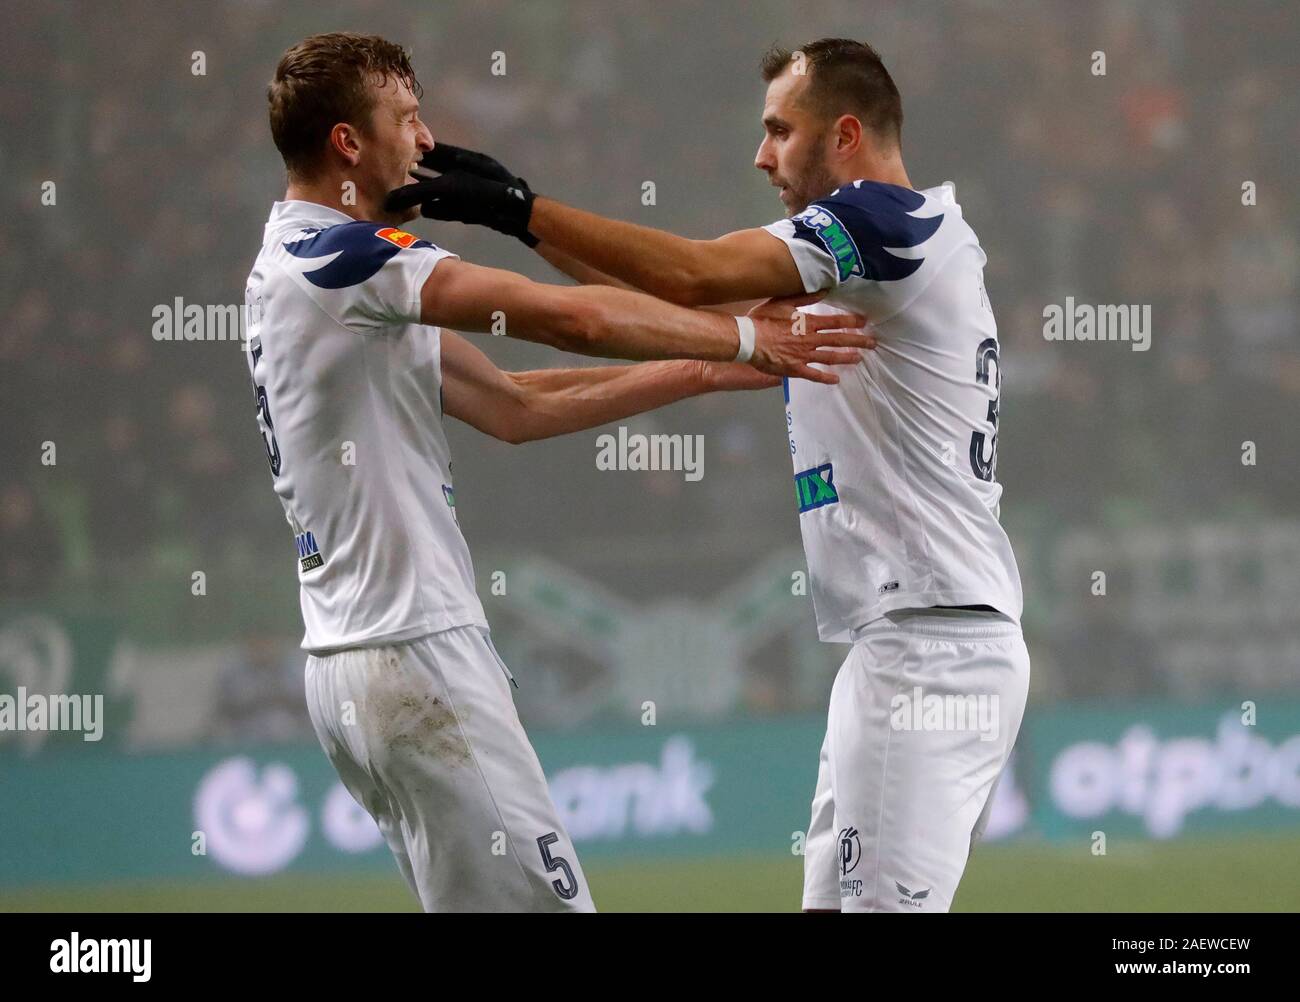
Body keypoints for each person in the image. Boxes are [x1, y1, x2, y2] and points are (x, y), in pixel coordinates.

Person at [393, 37, 1029, 913]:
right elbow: (679, 304)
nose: (760, 154)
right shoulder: (884, 256)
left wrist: (525, 208)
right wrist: (515, 216)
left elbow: (690, 272)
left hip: (932, 648)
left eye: (779, 130)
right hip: (904, 644)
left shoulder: (886, 222)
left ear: (845, 134)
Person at [243, 32, 870, 913]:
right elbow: (564, 320)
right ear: (349, 143)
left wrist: (705, 370)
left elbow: (512, 405)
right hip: (414, 649)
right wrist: (740, 334)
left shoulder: (286, 268)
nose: (426, 142)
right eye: (409, 119)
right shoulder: (350, 260)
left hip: (353, 665)